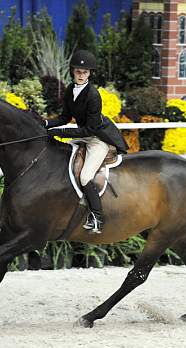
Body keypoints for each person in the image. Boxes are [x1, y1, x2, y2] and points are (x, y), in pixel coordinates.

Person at [44, 50, 128, 234]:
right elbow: (65, 117)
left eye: (85, 72)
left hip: (97, 138)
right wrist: (45, 123)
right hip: (83, 134)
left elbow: (90, 129)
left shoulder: (93, 95)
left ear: (90, 74)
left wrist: (61, 132)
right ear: (72, 71)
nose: (81, 75)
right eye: (78, 71)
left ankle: (97, 216)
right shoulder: (69, 90)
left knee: (85, 176)